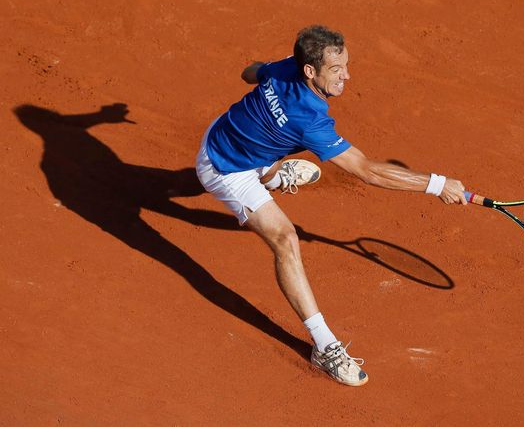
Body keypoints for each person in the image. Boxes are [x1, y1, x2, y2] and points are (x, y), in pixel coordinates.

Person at [196, 25, 467, 387]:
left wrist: (267, 91)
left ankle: (273, 172)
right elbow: (367, 171)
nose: (347, 76)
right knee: (286, 239)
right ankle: (324, 346)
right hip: (226, 169)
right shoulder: (310, 120)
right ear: (310, 70)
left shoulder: (285, 67)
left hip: (225, 130)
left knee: (275, 139)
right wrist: (438, 184)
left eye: (346, 66)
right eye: (337, 70)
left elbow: (251, 71)